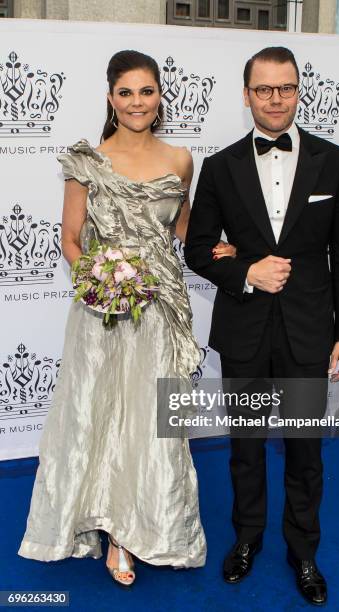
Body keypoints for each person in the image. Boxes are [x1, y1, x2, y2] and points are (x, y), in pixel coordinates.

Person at [18, 49, 235, 587]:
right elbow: (70, 239)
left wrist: (233, 252)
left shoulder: (181, 159)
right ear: (111, 98)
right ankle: (102, 525)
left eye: (146, 91)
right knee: (97, 417)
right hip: (103, 309)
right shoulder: (87, 160)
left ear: (160, 96)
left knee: (150, 421)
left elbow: (185, 230)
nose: (137, 102)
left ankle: (139, 532)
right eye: (126, 92)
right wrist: (100, 280)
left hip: (159, 306)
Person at [184, 46, 339, 605]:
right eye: (264, 89)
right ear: (246, 96)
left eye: (285, 87)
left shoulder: (335, 161)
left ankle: (303, 550)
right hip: (244, 330)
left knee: (306, 450)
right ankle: (246, 538)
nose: (275, 98)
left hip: (311, 331)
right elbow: (196, 249)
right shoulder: (219, 167)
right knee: (245, 448)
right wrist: (246, 272)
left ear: (297, 90)